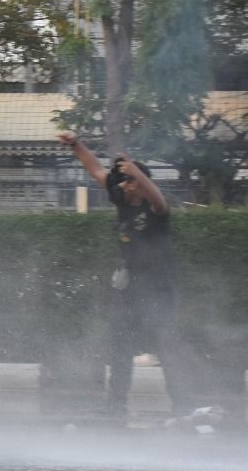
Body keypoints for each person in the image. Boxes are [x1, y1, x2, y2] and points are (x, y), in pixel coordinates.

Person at [57, 131, 205, 418]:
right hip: (130, 286)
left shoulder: (156, 210)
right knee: (120, 342)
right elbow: (96, 170)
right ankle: (116, 405)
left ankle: (183, 406)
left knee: (166, 344)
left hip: (159, 287)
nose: (123, 186)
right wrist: (76, 144)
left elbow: (158, 196)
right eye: (123, 181)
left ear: (140, 182)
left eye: (129, 181)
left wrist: (137, 171)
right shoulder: (122, 198)